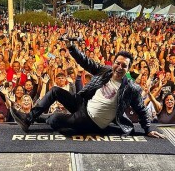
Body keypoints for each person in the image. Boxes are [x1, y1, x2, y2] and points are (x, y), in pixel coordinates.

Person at [10, 45, 164, 138]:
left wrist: (148, 129)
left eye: (124, 66)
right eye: (118, 63)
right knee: (55, 91)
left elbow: (142, 110)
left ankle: (42, 118)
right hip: (83, 103)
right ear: (113, 63)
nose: (119, 67)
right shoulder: (106, 70)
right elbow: (86, 62)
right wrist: (72, 48)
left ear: (128, 69)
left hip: (91, 120)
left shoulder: (132, 88)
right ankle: (28, 119)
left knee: (55, 119)